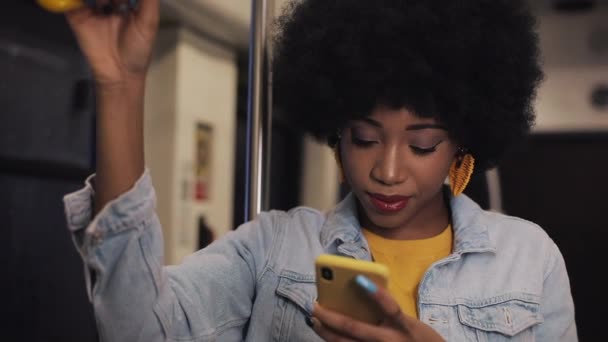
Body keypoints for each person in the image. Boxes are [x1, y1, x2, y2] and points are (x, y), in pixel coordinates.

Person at [63, 0, 577, 340]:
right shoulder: (274, 249)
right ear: (335, 131)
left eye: (422, 145)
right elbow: (138, 329)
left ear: (460, 143)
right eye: (365, 139)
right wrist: (120, 85)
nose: (388, 171)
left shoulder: (529, 258)